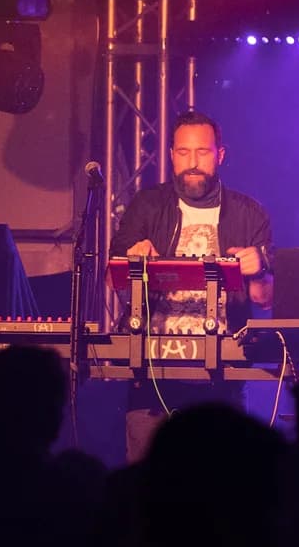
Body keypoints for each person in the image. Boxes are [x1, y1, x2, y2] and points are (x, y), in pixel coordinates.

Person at [111, 110, 274, 461]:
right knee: (149, 490)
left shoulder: (249, 213)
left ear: (220, 155)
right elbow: (116, 280)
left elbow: (264, 299)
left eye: (202, 152)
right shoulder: (147, 205)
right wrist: (133, 257)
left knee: (222, 492)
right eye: (184, 153)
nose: (193, 163)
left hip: (222, 378)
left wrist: (258, 271)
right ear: (171, 155)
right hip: (152, 374)